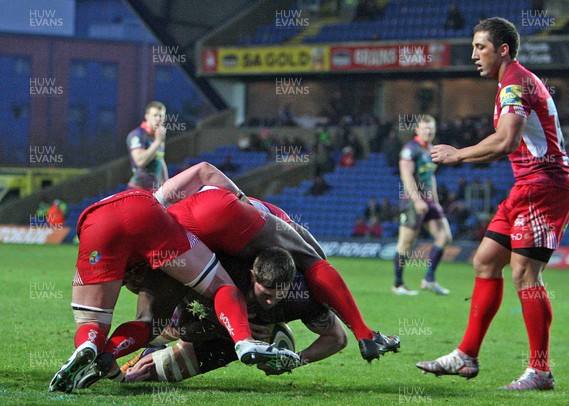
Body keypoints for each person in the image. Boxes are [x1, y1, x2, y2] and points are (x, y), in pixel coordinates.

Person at [417, 17, 569, 390]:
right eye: (473, 47)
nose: (474, 55)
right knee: (486, 260)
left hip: (547, 185)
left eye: (481, 47)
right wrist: (468, 155)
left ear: (502, 50)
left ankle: (539, 371)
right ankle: (466, 355)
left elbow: (505, 141)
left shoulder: (515, 83)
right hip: (527, 186)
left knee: (525, 273)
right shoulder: (510, 84)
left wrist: (458, 154)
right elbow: (501, 150)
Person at [48, 193, 300, 393]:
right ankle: (244, 341)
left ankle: (90, 344)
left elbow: (203, 170)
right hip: (147, 211)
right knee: (219, 288)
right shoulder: (265, 232)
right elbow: (205, 170)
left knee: (94, 323)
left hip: (97, 222)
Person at [154, 162, 400, 362]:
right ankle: (364, 334)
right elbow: (203, 169)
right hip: (221, 212)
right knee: (313, 258)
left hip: (187, 237)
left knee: (208, 288)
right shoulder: (158, 203)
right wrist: (240, 198)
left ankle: (232, 337)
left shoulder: (154, 230)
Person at [120, 248, 348, 382]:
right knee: (163, 332)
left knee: (148, 376)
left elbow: (337, 338)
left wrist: (296, 360)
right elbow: (182, 286)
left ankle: (153, 357)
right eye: (266, 294)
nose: (271, 302)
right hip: (196, 315)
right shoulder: (226, 273)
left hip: (228, 344)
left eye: (279, 295)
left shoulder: (303, 297)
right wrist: (234, 328)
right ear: (252, 277)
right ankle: (145, 348)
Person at [392, 115, 452, 296]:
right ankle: (398, 284)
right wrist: (417, 199)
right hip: (412, 201)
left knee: (444, 236)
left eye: (431, 128)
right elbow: (407, 176)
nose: (428, 131)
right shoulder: (410, 149)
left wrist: (435, 201)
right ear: (417, 130)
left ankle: (429, 279)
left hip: (429, 202)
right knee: (406, 243)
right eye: (425, 128)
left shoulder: (432, 149)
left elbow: (430, 177)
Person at [126, 101, 168, 191]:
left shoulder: (158, 135)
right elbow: (140, 161)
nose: (158, 119)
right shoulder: (137, 134)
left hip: (154, 189)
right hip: (138, 189)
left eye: (161, 116)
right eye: (155, 115)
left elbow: (160, 160)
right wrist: (157, 142)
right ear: (147, 116)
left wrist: (167, 186)